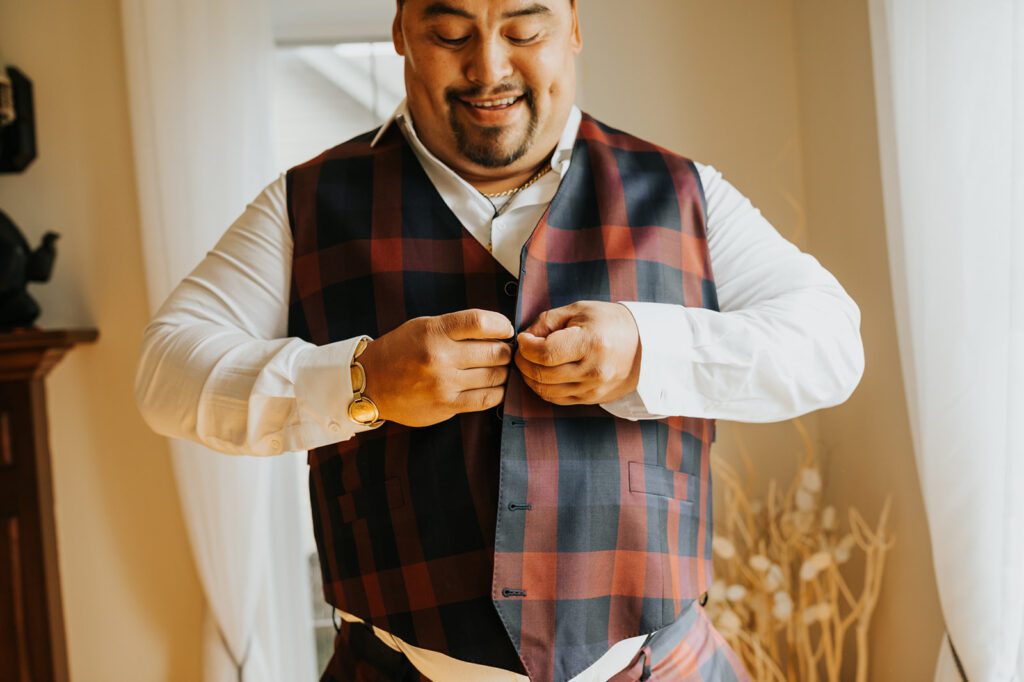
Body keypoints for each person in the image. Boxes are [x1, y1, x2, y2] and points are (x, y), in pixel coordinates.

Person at [134, 0, 865, 680]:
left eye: (524, 29)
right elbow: (166, 372)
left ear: (573, 23)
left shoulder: (685, 193)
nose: (488, 67)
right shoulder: (306, 205)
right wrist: (364, 382)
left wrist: (650, 350)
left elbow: (831, 346)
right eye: (451, 34)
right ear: (399, 30)